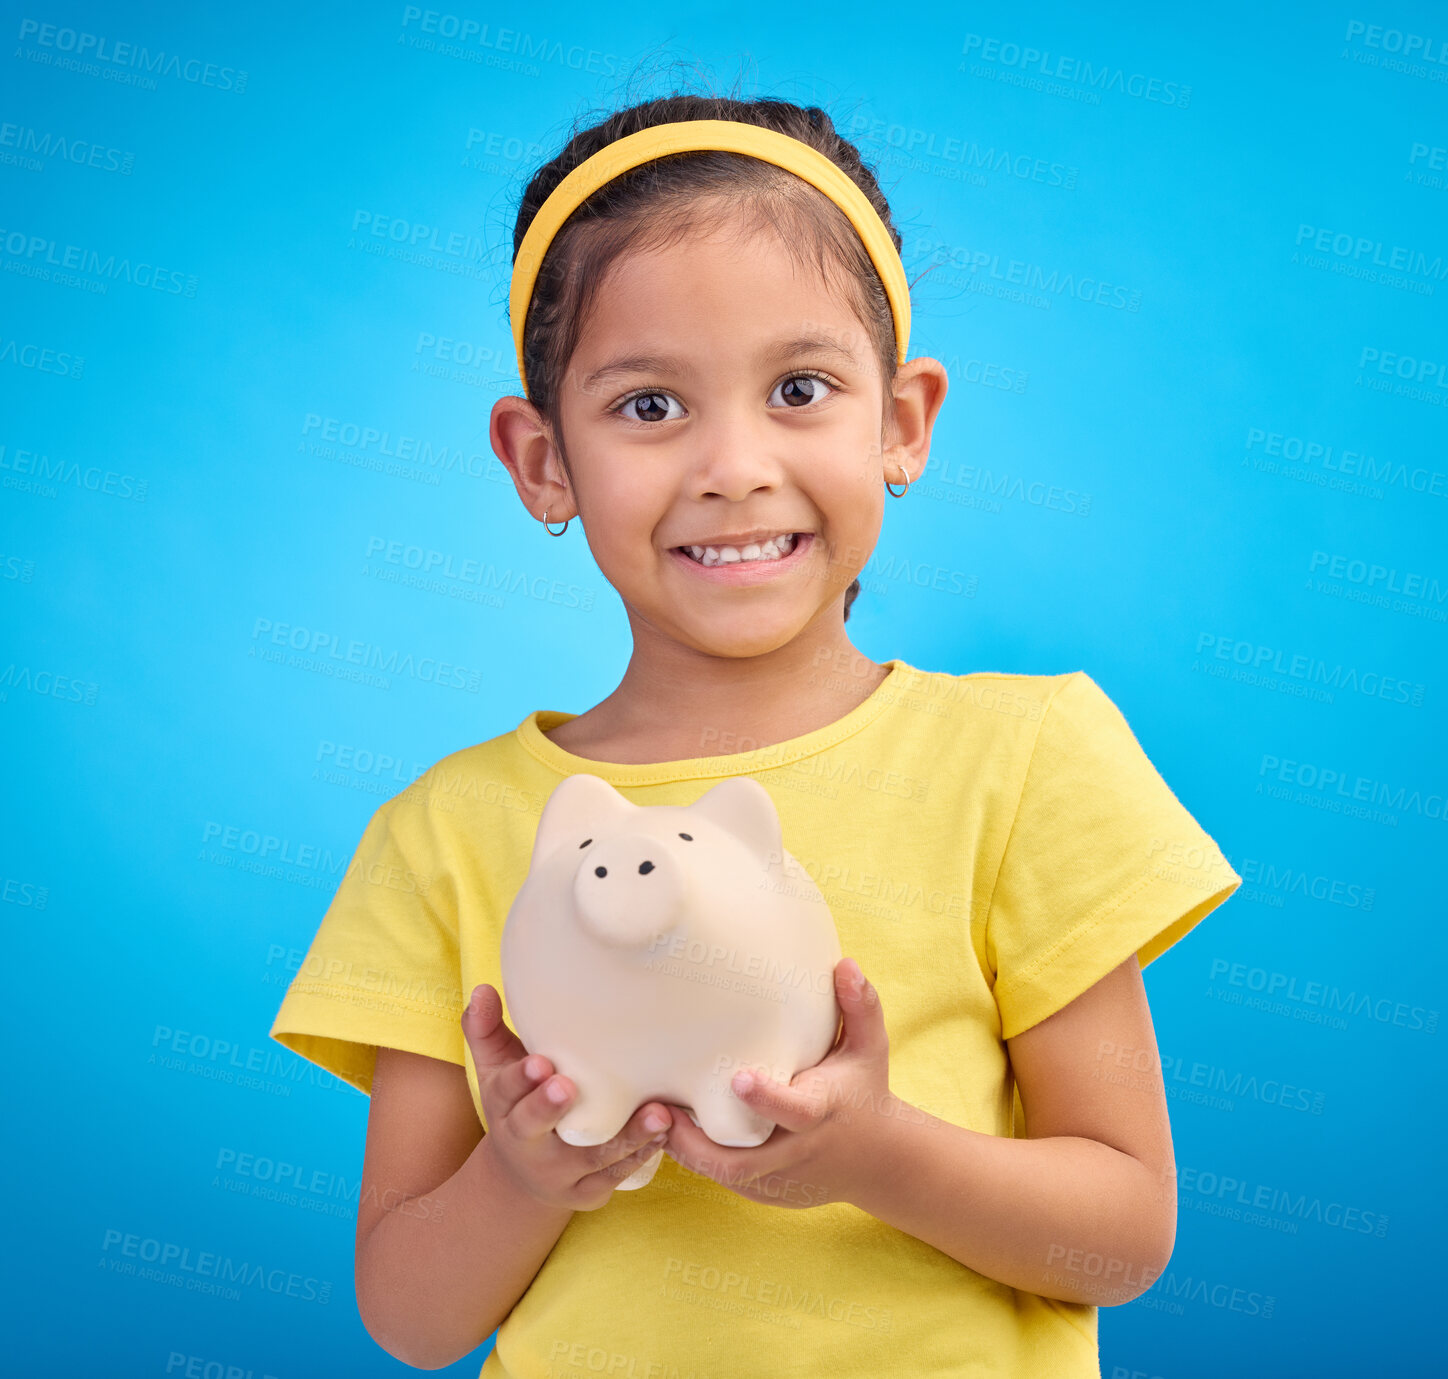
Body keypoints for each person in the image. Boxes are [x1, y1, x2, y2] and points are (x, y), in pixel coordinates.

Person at [270, 89, 1241, 1377]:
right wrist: (524, 1172)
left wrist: (876, 1151)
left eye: (799, 388)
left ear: (901, 423)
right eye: (650, 407)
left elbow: (1124, 1239)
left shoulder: (1025, 761)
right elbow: (409, 1316)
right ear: (540, 459)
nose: (733, 464)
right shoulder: (444, 836)